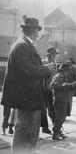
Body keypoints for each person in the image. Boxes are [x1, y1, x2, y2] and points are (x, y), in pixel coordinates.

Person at [1, 16, 50, 153]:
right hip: (26, 98)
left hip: (29, 97)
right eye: (36, 29)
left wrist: (44, 67)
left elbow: (30, 67)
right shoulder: (22, 46)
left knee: (31, 132)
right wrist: (47, 69)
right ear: (31, 30)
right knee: (25, 132)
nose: (37, 33)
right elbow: (28, 70)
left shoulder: (24, 44)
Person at [50, 63, 76, 140]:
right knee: (59, 117)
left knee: (62, 117)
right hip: (59, 100)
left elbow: (65, 87)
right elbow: (52, 85)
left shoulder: (62, 77)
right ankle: (55, 134)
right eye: (66, 72)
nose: (67, 73)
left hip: (63, 99)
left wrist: (72, 85)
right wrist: (64, 85)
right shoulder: (57, 77)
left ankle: (58, 131)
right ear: (62, 71)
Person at [41, 47, 58, 132]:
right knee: (44, 108)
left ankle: (55, 127)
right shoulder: (43, 62)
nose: (54, 56)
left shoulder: (55, 63)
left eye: (55, 55)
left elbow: (55, 74)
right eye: (53, 54)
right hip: (43, 88)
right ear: (49, 55)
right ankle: (45, 127)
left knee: (52, 107)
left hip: (51, 89)